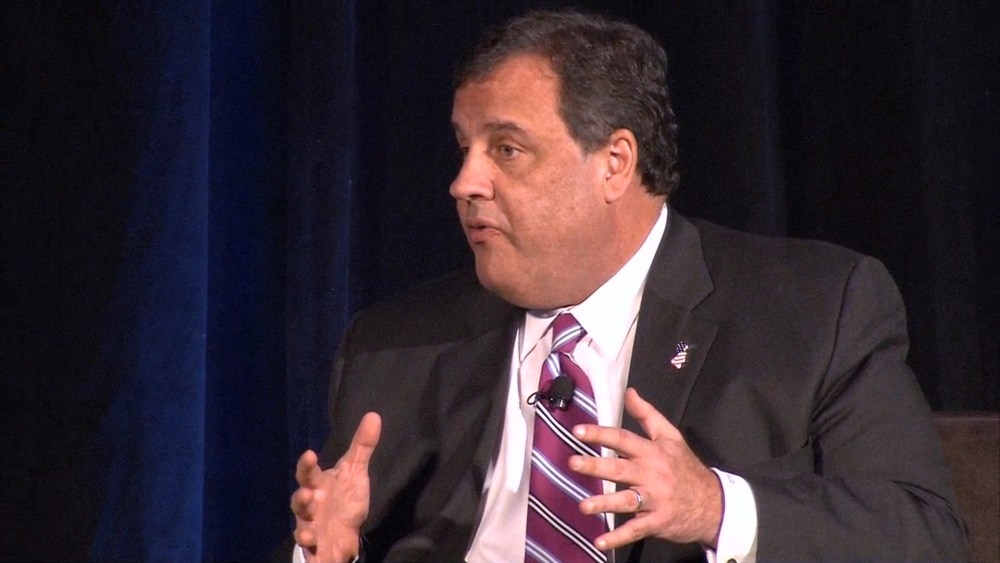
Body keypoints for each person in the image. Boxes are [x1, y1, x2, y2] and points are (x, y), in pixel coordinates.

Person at [289, 10, 967, 562]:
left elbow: (924, 534)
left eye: (506, 149)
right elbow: (336, 536)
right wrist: (327, 555)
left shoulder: (814, 309)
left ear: (614, 163)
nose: (464, 182)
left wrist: (715, 507)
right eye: (464, 148)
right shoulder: (393, 346)